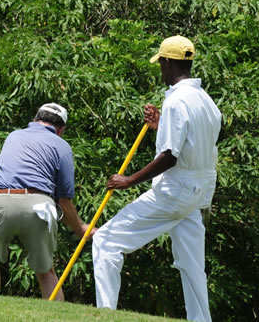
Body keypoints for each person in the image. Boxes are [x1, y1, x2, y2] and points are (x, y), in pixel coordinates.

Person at [92, 35, 221, 322]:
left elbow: (170, 156)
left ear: (167, 62)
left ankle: (106, 316)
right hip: (197, 194)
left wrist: (129, 180)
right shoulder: (206, 101)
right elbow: (192, 146)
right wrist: (161, 125)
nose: (160, 69)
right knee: (192, 265)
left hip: (174, 192)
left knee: (105, 240)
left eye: (161, 64)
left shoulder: (176, 100)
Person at [0, 102, 90, 301]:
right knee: (46, 271)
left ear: (35, 119)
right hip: (40, 206)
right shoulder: (62, 146)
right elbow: (64, 201)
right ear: (61, 129)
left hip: (3, 199)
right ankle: (55, 315)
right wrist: (80, 228)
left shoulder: (13, 136)